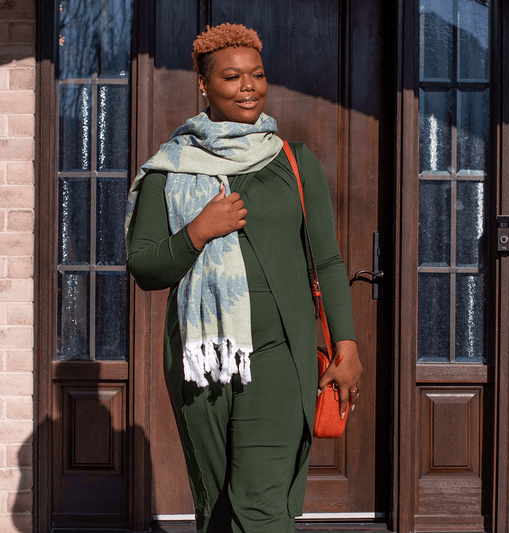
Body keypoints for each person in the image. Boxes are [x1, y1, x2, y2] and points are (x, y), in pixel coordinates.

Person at [125, 23, 363, 533]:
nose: (248, 86)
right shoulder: (169, 170)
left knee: (259, 504)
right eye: (231, 77)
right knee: (218, 506)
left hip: (280, 352)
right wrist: (198, 231)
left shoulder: (294, 162)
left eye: (256, 75)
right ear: (204, 85)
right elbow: (145, 268)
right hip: (201, 355)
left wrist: (347, 345)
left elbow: (327, 262)